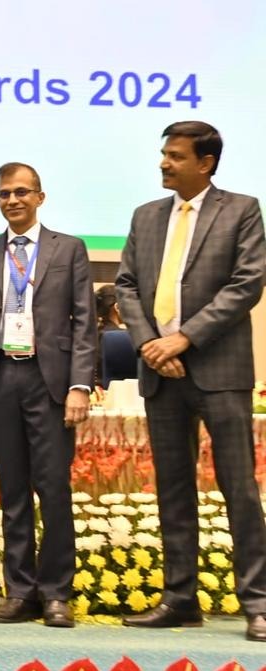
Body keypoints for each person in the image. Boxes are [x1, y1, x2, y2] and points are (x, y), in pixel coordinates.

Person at [114, 121, 266, 641]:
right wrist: (149, 345)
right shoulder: (146, 215)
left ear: (205, 163)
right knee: (172, 488)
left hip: (219, 371)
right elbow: (126, 286)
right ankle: (179, 599)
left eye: (176, 156)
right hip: (161, 372)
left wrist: (184, 339)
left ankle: (258, 602)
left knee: (238, 487)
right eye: (164, 154)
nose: (164, 163)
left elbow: (247, 284)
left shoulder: (241, 210)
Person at [0, 162, 95, 628]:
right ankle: (20, 593)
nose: (12, 200)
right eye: (4, 194)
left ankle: (56, 594)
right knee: (12, 492)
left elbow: (85, 322)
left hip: (49, 382)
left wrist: (79, 385)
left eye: (20, 192)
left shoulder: (69, 249)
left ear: (39, 196)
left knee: (53, 490)